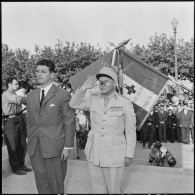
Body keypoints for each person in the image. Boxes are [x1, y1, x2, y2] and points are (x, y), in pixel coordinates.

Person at [69, 66, 136, 194]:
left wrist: (129, 154)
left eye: (106, 81)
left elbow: (130, 131)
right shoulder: (93, 100)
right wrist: (83, 89)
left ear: (114, 83)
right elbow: (73, 104)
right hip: (94, 151)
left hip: (114, 153)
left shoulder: (125, 103)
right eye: (100, 81)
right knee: (97, 188)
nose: (102, 83)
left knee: (114, 190)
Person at [26, 59, 76, 194]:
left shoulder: (62, 94)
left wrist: (67, 147)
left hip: (55, 148)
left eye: (43, 71)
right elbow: (29, 122)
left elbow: (69, 122)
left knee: (56, 185)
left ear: (52, 75)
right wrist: (29, 140)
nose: (39, 74)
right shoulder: (30, 96)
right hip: (35, 148)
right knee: (41, 185)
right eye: (37, 71)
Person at [2, 77, 31, 175]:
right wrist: (34, 98)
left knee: (22, 144)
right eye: (15, 84)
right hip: (10, 121)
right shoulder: (6, 95)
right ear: (9, 84)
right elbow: (19, 100)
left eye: (18, 84)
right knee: (13, 146)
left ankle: (21, 165)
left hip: (19, 118)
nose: (18, 86)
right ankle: (16, 168)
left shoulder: (14, 94)